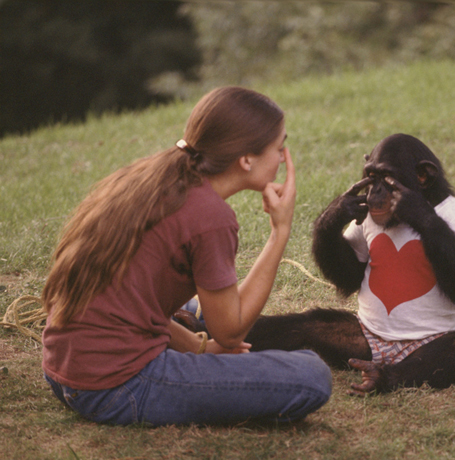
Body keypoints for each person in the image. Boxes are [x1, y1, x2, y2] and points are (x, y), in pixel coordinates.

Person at [40, 86, 332, 426]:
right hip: (116, 387)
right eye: (279, 147)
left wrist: (199, 348)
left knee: (196, 308)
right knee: (310, 375)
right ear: (246, 159)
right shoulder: (211, 217)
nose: (283, 157)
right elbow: (231, 333)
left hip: (65, 371)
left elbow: (141, 302)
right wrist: (280, 232)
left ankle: (190, 342)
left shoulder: (154, 175)